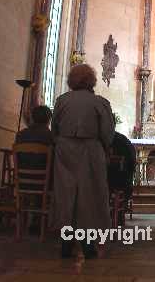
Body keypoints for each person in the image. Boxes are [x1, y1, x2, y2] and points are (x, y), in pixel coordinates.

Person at [50, 64, 115, 259]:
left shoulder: (61, 101)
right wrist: (104, 147)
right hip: (90, 152)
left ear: (72, 80)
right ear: (91, 80)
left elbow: (54, 129)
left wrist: (64, 143)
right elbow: (107, 132)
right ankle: (88, 245)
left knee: (65, 195)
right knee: (90, 197)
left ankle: (65, 244)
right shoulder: (99, 102)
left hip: (65, 152)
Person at [15, 105, 54, 233]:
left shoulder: (20, 135)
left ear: (32, 118)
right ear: (49, 119)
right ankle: (47, 221)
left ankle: (27, 221)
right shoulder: (51, 137)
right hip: (45, 183)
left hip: (22, 181)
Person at [107, 131, 136, 223]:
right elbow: (132, 164)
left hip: (111, 180)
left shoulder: (107, 140)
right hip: (124, 180)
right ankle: (119, 214)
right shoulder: (123, 140)